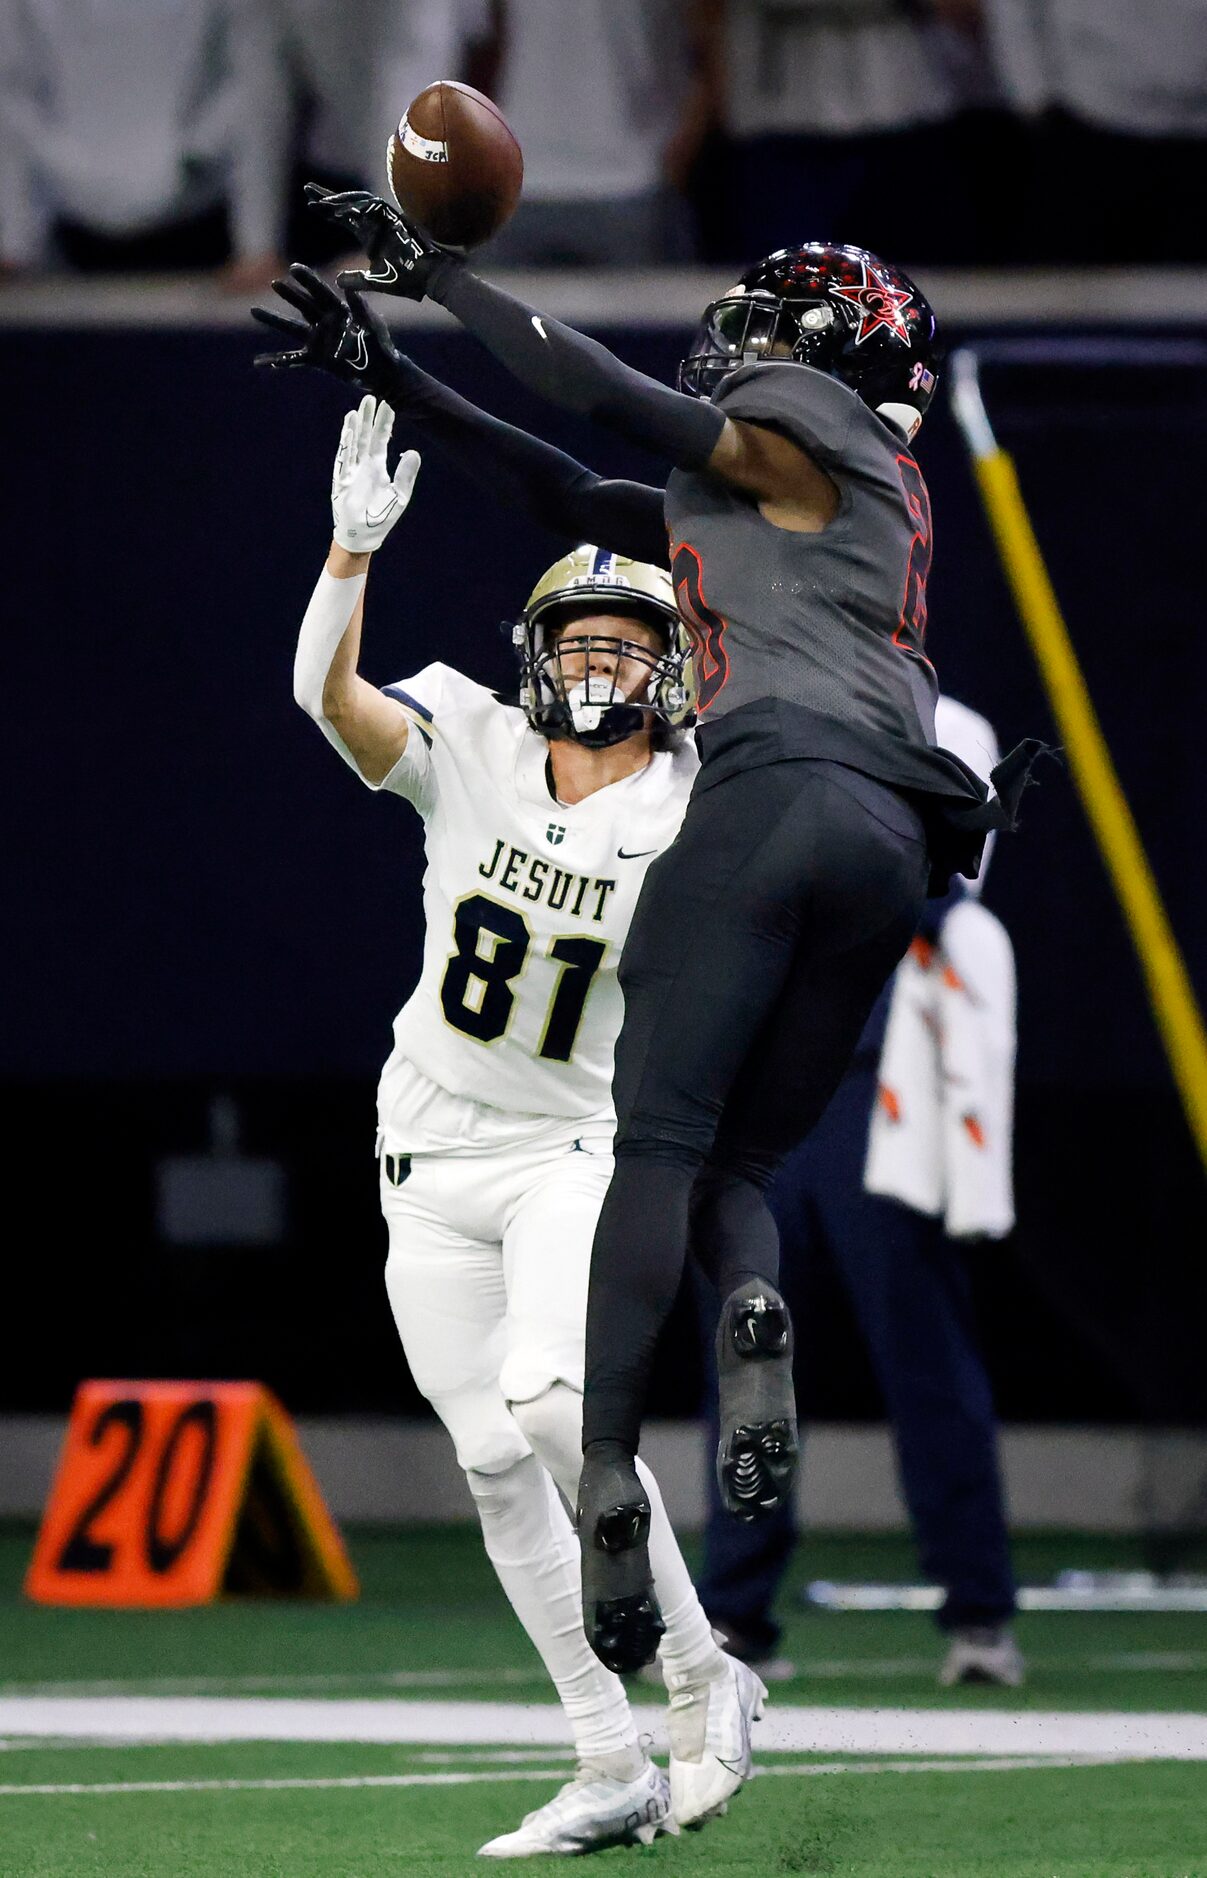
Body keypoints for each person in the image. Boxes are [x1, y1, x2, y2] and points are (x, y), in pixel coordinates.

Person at [264, 209, 1041, 1678]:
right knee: (739, 1166)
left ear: (829, 355)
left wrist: (447, 284)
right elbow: (562, 479)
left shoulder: (810, 446)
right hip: (887, 844)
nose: (740, 345)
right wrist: (395, 372)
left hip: (767, 798)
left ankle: (612, 1466)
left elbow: (603, 399)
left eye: (768, 325)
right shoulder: (782, 513)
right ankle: (750, 1315)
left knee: (658, 1147)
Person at [271, 380, 767, 1851]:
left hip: (574, 1147)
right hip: (425, 1147)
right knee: (490, 1460)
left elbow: (816, 842)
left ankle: (702, 1672)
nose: (604, 666)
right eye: (581, 641)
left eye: (630, 644)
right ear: (534, 656)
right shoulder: (472, 739)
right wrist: (348, 559)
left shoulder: (694, 802)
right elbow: (324, 696)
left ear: (678, 668)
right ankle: (605, 1755)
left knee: (554, 1403)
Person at [694, 694, 1024, 1689]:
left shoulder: (951, 724)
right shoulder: (756, 699)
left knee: (924, 1356)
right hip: (762, 1090)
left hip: (881, 1091)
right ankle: (736, 1618)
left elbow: (929, 884)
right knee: (746, 1362)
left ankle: (978, 1613)